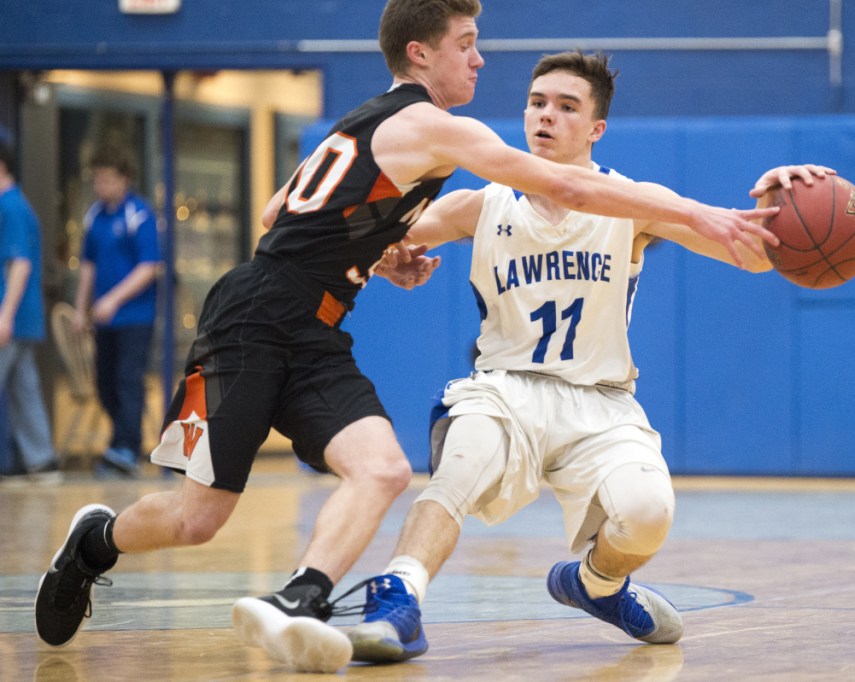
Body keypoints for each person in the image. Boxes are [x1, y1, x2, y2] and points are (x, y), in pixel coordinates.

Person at [34, 2, 781, 674]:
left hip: (320, 325)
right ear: (421, 54)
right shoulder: (437, 129)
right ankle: (95, 544)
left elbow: (274, 211)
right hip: (253, 319)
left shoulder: (366, 123)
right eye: (467, 44)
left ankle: (303, 597)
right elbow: (569, 187)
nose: (480, 60)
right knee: (200, 519)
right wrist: (699, 213)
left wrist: (372, 249)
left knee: (384, 470)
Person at [347, 50, 833, 663]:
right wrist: (391, 259)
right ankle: (399, 600)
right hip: (505, 389)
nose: (545, 116)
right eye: (537, 102)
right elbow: (380, 239)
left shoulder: (634, 203)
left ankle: (594, 585)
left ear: (596, 129)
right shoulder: (481, 204)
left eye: (566, 107)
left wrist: (784, 204)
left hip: (599, 402)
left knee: (648, 514)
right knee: (459, 469)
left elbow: (753, 255)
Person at [73, 146, 161, 477]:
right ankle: (119, 440)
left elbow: (148, 267)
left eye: (108, 179)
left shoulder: (138, 214)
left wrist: (113, 299)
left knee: (128, 378)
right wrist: (82, 308)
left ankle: (127, 445)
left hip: (134, 317)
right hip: (104, 321)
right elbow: (88, 266)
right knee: (105, 380)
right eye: (97, 179)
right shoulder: (95, 216)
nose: (101, 186)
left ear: (124, 180)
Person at [0, 140, 63, 486]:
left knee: (22, 387)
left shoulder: (11, 207)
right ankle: (42, 461)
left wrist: (4, 316)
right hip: (20, 320)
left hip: (10, 317)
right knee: (24, 389)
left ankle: (42, 460)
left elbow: (20, 265)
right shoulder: (14, 205)